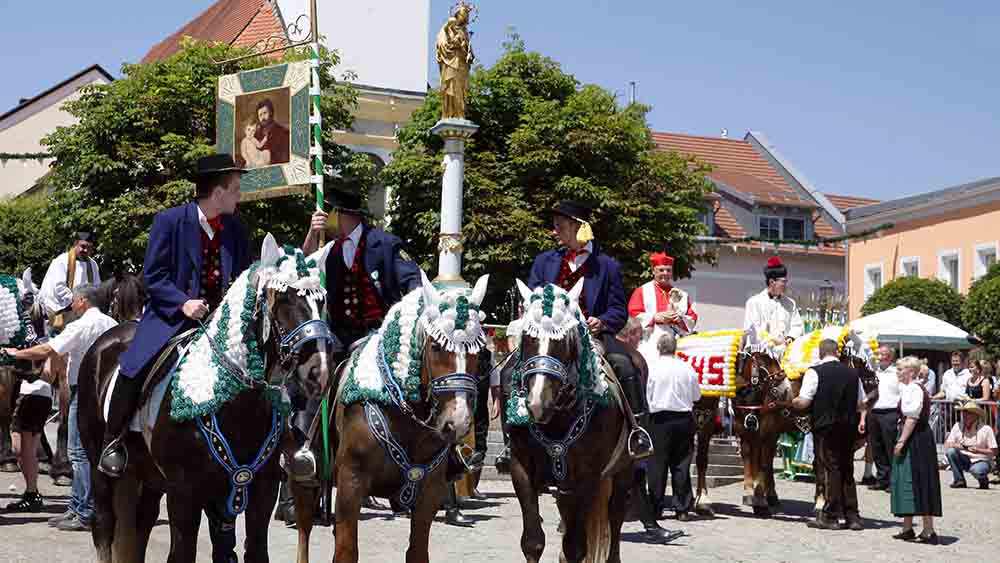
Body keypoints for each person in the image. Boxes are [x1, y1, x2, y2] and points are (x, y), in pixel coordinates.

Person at [290, 187, 422, 522]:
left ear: (345, 215)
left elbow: (414, 286)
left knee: (417, 383)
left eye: (329, 212)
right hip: (340, 336)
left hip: (381, 333)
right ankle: (307, 461)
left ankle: (429, 470)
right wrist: (311, 232)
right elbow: (298, 269)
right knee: (311, 379)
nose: (327, 218)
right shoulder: (329, 249)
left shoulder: (386, 245)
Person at [526, 200, 652, 459]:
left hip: (592, 336)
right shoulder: (543, 262)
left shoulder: (607, 266)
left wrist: (602, 321)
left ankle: (637, 433)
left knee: (626, 365)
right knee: (510, 369)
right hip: (551, 337)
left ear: (577, 227)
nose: (555, 231)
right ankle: (512, 439)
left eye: (559, 226)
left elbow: (618, 309)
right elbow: (531, 300)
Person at [5, 284, 117, 531]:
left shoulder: (81, 325)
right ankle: (79, 507)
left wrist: (16, 354)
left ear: (83, 301)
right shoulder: (111, 323)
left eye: (75, 302)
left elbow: (50, 349)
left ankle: (83, 510)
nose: (73, 307)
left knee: (77, 451)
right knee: (92, 451)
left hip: (84, 389)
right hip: (106, 392)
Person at [786, 339, 868, 530]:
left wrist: (793, 402)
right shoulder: (852, 373)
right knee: (847, 468)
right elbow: (861, 403)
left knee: (831, 468)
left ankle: (830, 515)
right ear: (837, 352)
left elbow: (805, 402)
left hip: (825, 426)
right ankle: (852, 516)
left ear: (820, 353)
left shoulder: (814, 372)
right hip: (848, 426)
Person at [645, 332, 701, 524]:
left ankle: (655, 506)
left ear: (658, 348)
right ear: (675, 348)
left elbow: (647, 396)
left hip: (659, 419)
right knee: (681, 464)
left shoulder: (652, 368)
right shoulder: (687, 368)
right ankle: (682, 508)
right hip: (684, 418)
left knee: (657, 464)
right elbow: (696, 396)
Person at [890, 356, 942, 545]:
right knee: (905, 479)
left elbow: (912, 418)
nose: (898, 373)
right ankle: (907, 527)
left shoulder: (914, 389)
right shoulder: (909, 388)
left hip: (917, 439)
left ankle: (928, 530)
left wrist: (902, 441)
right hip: (912, 436)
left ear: (911, 371)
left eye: (900, 369)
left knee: (920, 479)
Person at [38, 230, 102, 333]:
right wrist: (76, 303)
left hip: (82, 307)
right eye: (83, 246)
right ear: (75, 245)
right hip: (60, 307)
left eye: (89, 248)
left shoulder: (93, 264)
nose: (85, 250)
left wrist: (87, 305)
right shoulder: (62, 260)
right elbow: (59, 287)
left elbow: (96, 287)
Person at [628, 251, 698, 339]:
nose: (665, 273)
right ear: (654, 271)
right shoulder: (642, 291)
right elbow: (632, 316)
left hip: (675, 342)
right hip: (649, 342)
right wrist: (654, 318)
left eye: (668, 270)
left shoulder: (682, 295)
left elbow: (692, 318)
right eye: (661, 270)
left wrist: (680, 320)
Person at [743, 256, 803, 349]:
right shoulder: (754, 302)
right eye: (783, 281)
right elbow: (753, 330)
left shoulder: (790, 303)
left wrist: (790, 337)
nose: (785, 285)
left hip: (785, 351)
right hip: (760, 353)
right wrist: (774, 341)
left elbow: (797, 326)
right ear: (772, 282)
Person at [867, 344, 900, 491]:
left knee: (890, 447)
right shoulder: (873, 372)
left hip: (890, 412)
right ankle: (882, 478)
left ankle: (894, 480)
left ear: (891, 356)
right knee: (876, 447)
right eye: (879, 353)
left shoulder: (896, 373)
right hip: (874, 411)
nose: (880, 356)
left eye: (884, 354)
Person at [944, 401, 997, 490]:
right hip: (964, 458)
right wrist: (959, 446)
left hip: (981, 460)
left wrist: (978, 450)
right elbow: (947, 444)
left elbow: (994, 451)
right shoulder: (957, 426)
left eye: (968, 413)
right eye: (964, 412)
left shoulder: (986, 429)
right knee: (951, 452)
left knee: (977, 470)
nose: (964, 415)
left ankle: (984, 481)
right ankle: (959, 480)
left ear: (976, 415)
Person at [254, 99, 289, 164]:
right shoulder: (256, 134)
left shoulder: (283, 132)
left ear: (271, 113)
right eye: (260, 115)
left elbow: (285, 160)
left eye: (265, 113)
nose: (263, 117)